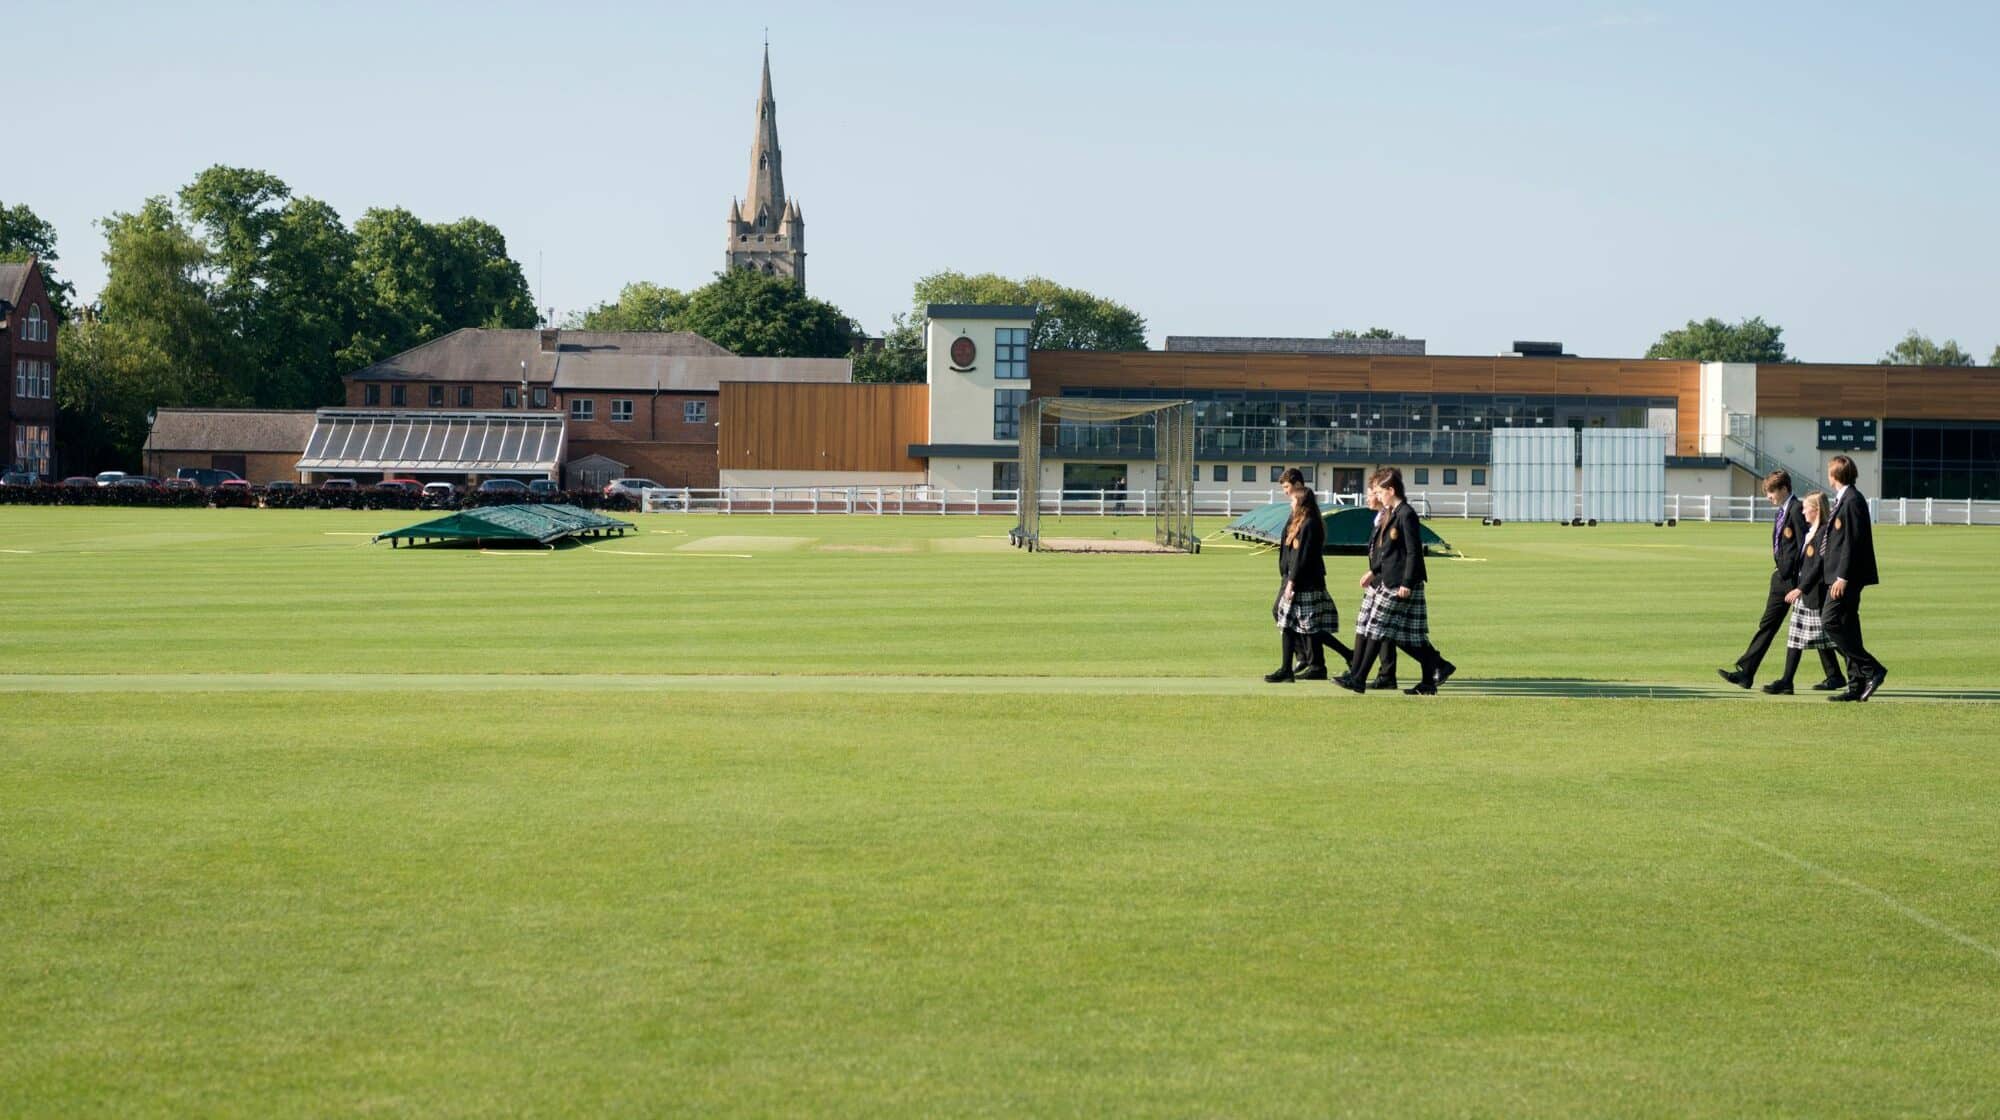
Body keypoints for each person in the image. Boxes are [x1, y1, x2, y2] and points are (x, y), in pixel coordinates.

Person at [1718, 470, 1844, 692]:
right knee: (1794, 627)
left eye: (1770, 492)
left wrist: (1800, 582)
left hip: (1793, 581)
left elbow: (1807, 547)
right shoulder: (1783, 511)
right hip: (1782, 578)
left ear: (1784, 489)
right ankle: (1749, 673)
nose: (1768, 497)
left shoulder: (1797, 510)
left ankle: (1852, 670)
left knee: (1810, 628)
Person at [1338, 468, 1458, 695]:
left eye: (1381, 492)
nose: (1379, 496)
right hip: (1390, 579)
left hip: (1401, 583)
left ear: (1391, 490)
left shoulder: (1406, 514)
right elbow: (1387, 551)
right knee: (1408, 636)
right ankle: (1431, 680)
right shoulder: (1394, 512)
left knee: (1377, 627)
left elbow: (1414, 552)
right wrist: (1374, 572)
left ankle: (1359, 679)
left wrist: (1407, 583)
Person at [1266, 468, 1353, 683]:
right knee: (1301, 625)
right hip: (1293, 577)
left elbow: (1302, 554)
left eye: (1288, 490)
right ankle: (1313, 662)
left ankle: (1308, 662)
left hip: (1303, 581)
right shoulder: (1299, 519)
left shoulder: (1309, 522)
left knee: (1302, 625)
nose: (1287, 497)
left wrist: (1291, 581)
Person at [1820, 455, 1886, 701]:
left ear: (1835, 476)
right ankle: (1855, 685)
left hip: (1846, 578)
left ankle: (1872, 669)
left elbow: (1853, 543)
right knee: (1848, 625)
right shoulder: (1844, 499)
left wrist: (1843, 577)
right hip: (1839, 575)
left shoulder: (1852, 500)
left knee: (1829, 620)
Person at [1763, 491, 1838, 694]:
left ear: (1816, 510)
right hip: (1807, 594)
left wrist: (1800, 588)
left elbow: (1817, 566)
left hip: (1814, 593)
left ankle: (1863, 671)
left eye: (1806, 508)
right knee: (1798, 637)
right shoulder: (1811, 531)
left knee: (1835, 638)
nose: (1802, 511)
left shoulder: (1822, 532)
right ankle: (1789, 680)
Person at [1353, 487, 1400, 690]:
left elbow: (1390, 553)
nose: (1369, 497)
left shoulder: (1391, 517)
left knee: (1382, 629)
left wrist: (1375, 572)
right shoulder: (1380, 518)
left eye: (1372, 493)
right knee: (1375, 628)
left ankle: (1380, 675)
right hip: (1378, 578)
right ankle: (1366, 673)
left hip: (1386, 579)